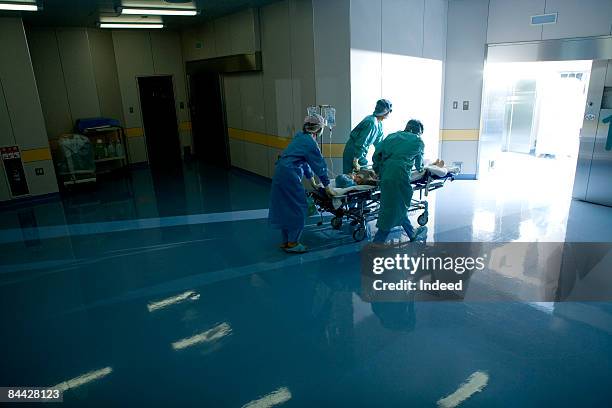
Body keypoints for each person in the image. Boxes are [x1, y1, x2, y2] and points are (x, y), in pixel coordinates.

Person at [269, 114, 332, 253]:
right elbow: (319, 165)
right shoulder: (310, 143)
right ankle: (293, 243)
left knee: (285, 207)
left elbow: (304, 162)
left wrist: (312, 181)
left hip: (280, 173)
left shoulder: (299, 137)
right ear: (319, 129)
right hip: (289, 176)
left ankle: (286, 241)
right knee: (297, 208)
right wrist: (327, 186)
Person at [372, 119, 427, 243]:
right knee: (393, 208)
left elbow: (377, 155)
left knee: (396, 205)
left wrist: (378, 170)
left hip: (385, 175)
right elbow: (419, 166)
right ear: (418, 131)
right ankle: (378, 241)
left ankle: (411, 234)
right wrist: (423, 169)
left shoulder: (392, 136)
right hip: (400, 175)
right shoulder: (418, 141)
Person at [342, 99, 392, 174]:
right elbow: (362, 142)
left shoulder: (379, 124)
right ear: (386, 112)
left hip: (360, 151)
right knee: (351, 176)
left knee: (362, 174)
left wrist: (385, 156)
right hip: (354, 151)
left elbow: (379, 144)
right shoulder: (371, 122)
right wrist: (356, 159)